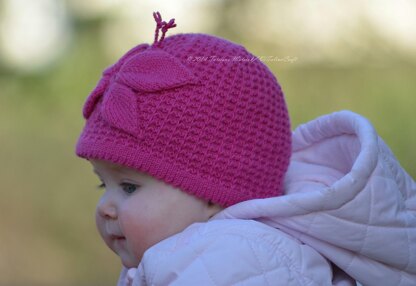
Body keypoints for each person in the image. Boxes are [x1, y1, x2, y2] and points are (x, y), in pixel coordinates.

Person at [75, 12, 416, 286]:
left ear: (211, 194)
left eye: (129, 186)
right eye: (103, 184)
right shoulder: (193, 251)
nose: (105, 207)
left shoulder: (229, 259)